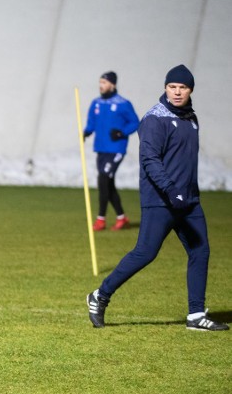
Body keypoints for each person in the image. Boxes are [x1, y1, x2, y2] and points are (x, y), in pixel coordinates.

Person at [87, 64, 228, 331]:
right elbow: (150, 160)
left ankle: (196, 315)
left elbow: (184, 161)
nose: (177, 92)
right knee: (145, 253)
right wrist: (171, 190)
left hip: (188, 201)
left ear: (190, 90)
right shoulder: (154, 119)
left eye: (182, 87)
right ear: (165, 88)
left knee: (200, 251)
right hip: (161, 200)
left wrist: (187, 194)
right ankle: (99, 295)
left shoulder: (191, 118)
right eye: (172, 87)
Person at [83, 71, 140, 231]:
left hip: (116, 149)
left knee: (103, 179)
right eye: (100, 82)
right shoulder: (96, 103)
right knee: (108, 183)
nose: (101, 85)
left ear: (112, 84)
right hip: (101, 148)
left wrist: (122, 132)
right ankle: (122, 218)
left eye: (104, 82)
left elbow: (135, 122)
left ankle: (100, 219)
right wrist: (86, 132)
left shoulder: (123, 103)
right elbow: (91, 123)